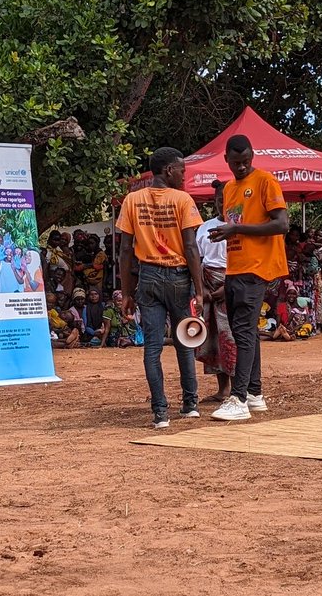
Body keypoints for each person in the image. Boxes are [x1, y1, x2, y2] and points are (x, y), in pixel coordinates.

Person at [116, 146, 205, 428]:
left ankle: (160, 413)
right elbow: (191, 247)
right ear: (169, 170)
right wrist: (200, 290)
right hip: (178, 277)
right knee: (184, 341)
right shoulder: (182, 200)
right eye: (182, 170)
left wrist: (127, 292)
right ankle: (190, 404)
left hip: (148, 277)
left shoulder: (132, 200)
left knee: (152, 347)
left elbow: (126, 251)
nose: (184, 175)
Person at [207, 134, 288, 422]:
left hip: (257, 268)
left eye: (246, 162)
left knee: (242, 332)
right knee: (248, 332)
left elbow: (281, 224)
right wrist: (227, 232)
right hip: (235, 267)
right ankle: (254, 394)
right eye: (236, 162)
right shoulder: (229, 188)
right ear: (226, 159)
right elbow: (235, 224)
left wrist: (237, 231)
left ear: (252, 157)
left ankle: (238, 398)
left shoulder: (265, 181)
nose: (241, 167)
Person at [194, 179, 236, 402]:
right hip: (208, 285)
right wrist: (201, 290)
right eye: (220, 200)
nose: (223, 205)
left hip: (231, 284)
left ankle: (240, 388)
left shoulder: (241, 228)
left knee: (230, 336)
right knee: (212, 339)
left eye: (228, 201)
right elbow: (197, 260)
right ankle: (223, 389)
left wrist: (227, 286)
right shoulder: (204, 227)